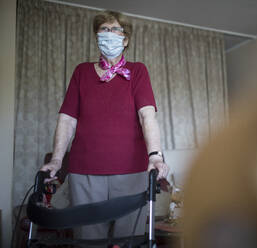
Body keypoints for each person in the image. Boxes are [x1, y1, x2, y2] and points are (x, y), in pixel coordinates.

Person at [40, 10, 169, 244]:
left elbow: (147, 116)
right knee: (88, 240)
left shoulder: (137, 71)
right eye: (104, 29)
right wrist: (57, 161)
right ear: (97, 36)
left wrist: (155, 155)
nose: (110, 34)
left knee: (128, 240)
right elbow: (67, 119)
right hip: (85, 171)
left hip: (131, 171)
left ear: (126, 39)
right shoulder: (81, 71)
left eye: (116, 29)